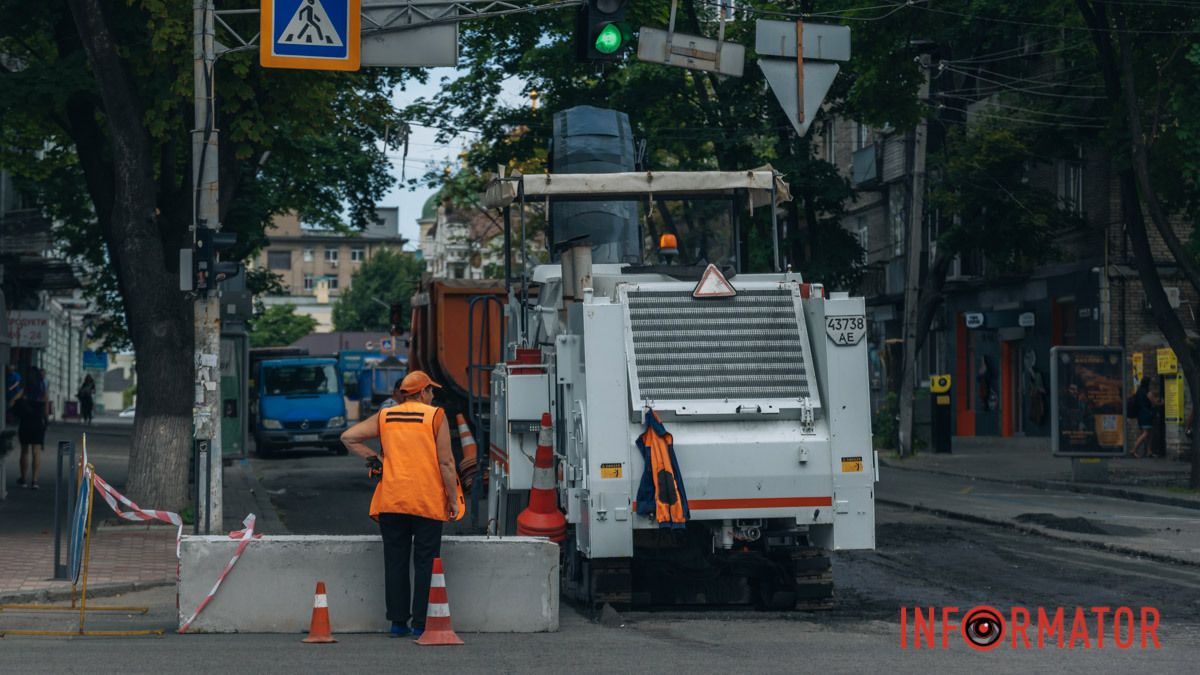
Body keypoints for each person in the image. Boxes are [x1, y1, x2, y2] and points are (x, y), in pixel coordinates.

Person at [340, 371, 458, 638]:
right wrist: (452, 500)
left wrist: (377, 461)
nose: (433, 395)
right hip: (427, 501)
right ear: (423, 392)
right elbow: (447, 463)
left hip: (392, 500)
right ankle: (419, 625)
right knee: (426, 561)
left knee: (395, 560)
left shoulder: (386, 416)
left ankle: (397, 623)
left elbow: (348, 437)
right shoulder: (435, 417)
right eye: (431, 391)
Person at [17, 368, 49, 489]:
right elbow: (46, 411)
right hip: (38, 423)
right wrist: (46, 422)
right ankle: (35, 480)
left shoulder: (24, 391)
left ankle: (23, 479)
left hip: (25, 423)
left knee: (24, 450)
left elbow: (12, 403)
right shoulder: (43, 392)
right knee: (36, 451)